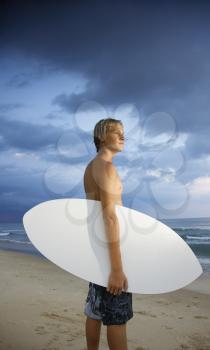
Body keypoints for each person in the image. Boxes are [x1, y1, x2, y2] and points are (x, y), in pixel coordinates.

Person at [83, 118, 133, 350]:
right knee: (116, 317)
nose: (123, 136)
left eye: (124, 132)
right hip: (111, 251)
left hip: (97, 249)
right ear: (102, 136)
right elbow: (109, 217)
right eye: (117, 132)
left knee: (95, 309)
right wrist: (116, 268)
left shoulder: (91, 166)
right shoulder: (107, 167)